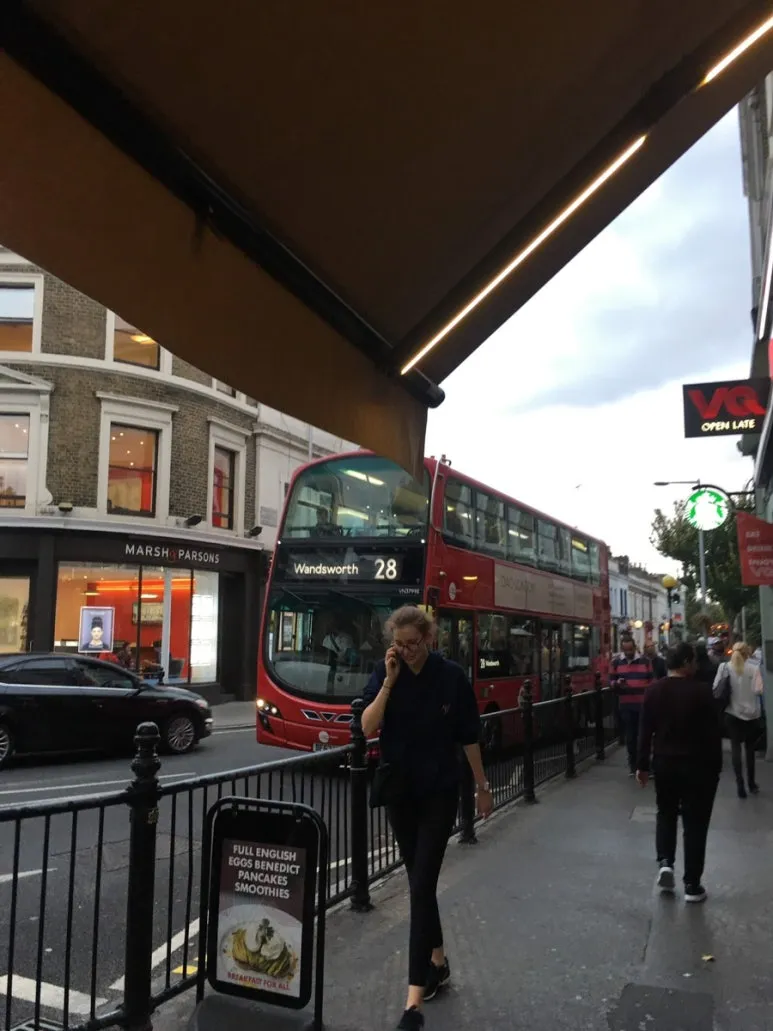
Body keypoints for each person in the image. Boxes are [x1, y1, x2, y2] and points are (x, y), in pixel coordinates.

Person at [361, 605, 492, 1030]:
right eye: (399, 644)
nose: (406, 651)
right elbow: (366, 727)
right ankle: (438, 962)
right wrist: (388, 682)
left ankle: (413, 1002)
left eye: (413, 643)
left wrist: (482, 786)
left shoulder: (450, 676)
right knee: (420, 883)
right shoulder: (387, 673)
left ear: (429, 638)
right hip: (400, 793)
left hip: (439, 792)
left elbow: (469, 736)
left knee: (420, 887)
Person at [636, 642, 722, 903]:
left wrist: (642, 765)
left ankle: (665, 862)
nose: (696, 665)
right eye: (693, 660)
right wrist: (716, 768)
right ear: (685, 663)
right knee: (695, 823)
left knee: (666, 813)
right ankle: (692, 885)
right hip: (698, 765)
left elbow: (645, 732)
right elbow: (713, 735)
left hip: (664, 763)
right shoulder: (702, 692)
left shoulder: (653, 691)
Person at [713, 641, 763, 799]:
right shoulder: (754, 668)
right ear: (747, 653)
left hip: (732, 713)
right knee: (750, 750)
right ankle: (751, 783)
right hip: (752, 715)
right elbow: (759, 690)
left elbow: (715, 687)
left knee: (735, 747)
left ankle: (740, 784)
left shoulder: (724, 667)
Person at [610, 635, 653, 776]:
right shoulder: (616, 662)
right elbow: (611, 681)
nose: (628, 652)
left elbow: (652, 681)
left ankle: (644, 765)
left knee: (643, 736)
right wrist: (616, 683)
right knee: (630, 736)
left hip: (643, 705)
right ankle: (633, 766)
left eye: (630, 649)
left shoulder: (645, 661)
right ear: (622, 649)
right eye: (626, 650)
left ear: (635, 647)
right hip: (626, 704)